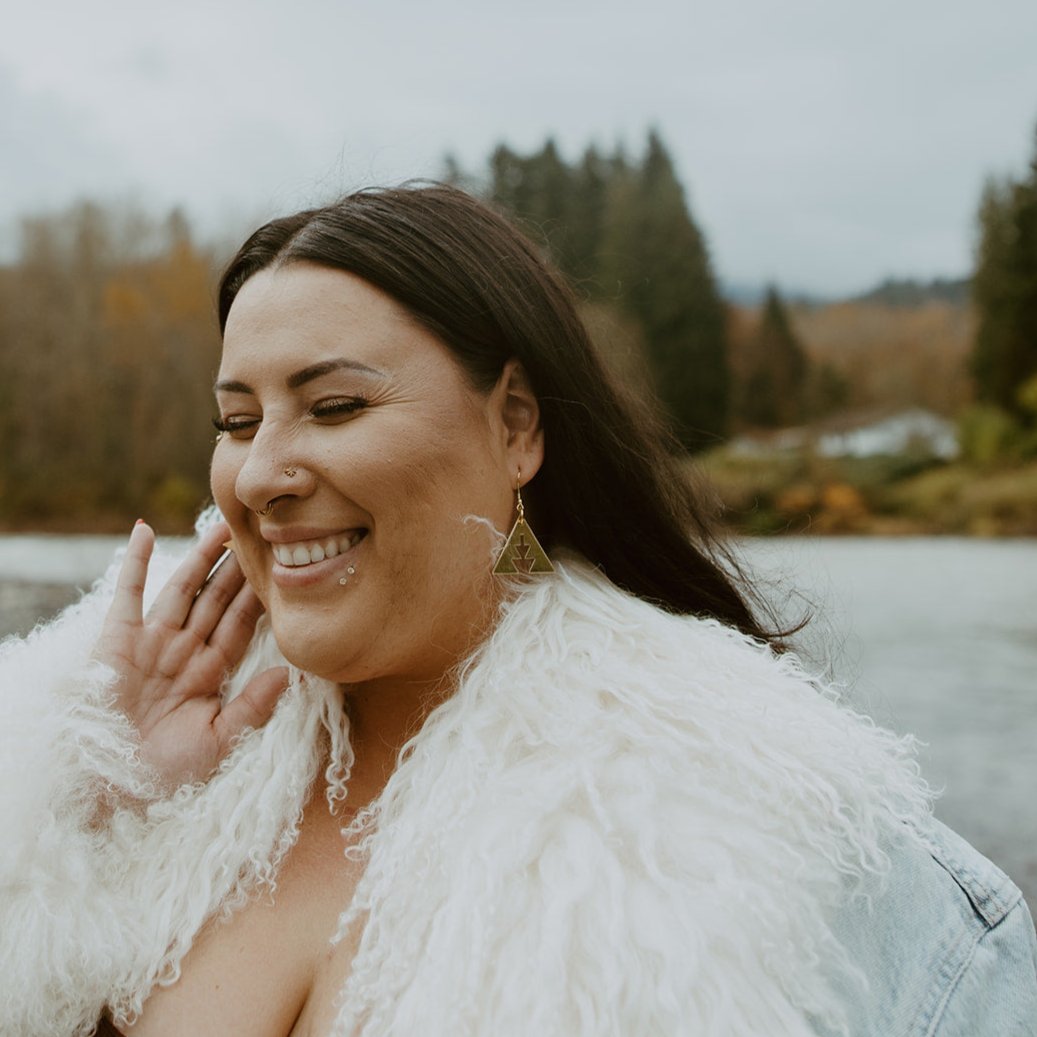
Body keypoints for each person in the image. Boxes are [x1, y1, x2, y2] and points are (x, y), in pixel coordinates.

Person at [1, 184, 1034, 1037]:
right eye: (236, 419)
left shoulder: (759, 815)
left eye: (336, 405)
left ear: (515, 427)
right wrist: (88, 817)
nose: (262, 469)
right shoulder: (154, 787)